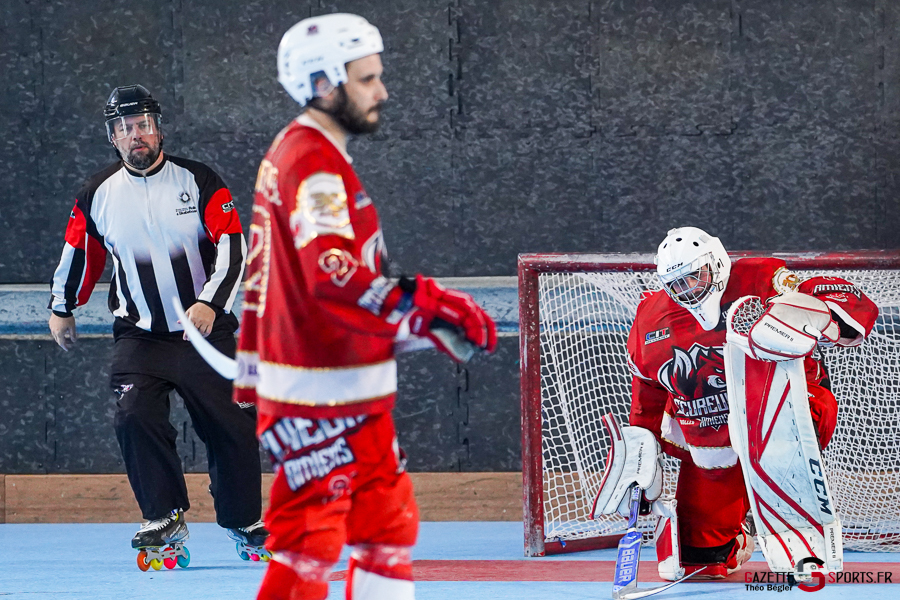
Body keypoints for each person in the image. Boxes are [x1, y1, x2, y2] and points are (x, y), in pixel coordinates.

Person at [235, 13, 497, 600]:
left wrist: (412, 322)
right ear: (324, 83)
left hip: (341, 385)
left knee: (386, 527)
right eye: (367, 78)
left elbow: (324, 287)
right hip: (318, 393)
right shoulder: (312, 160)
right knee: (309, 543)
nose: (382, 90)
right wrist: (423, 303)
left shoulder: (306, 151)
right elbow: (331, 272)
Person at [48, 85, 267, 568]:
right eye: (124, 128)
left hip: (207, 334)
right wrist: (63, 306)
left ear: (158, 127)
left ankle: (242, 520)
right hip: (140, 335)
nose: (135, 135)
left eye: (142, 124)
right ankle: (164, 515)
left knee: (233, 423)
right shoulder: (97, 194)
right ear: (113, 138)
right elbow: (80, 252)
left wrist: (209, 303)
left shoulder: (200, 179)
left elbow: (233, 247)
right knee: (134, 416)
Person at [625, 226, 878, 579]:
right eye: (676, 284)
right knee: (702, 559)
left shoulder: (761, 277)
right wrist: (638, 456)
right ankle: (741, 529)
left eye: (693, 278)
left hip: (786, 416)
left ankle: (786, 519)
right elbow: (647, 391)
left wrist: (816, 311)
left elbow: (851, 307)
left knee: (778, 443)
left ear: (713, 262)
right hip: (711, 440)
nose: (687, 291)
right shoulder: (651, 316)